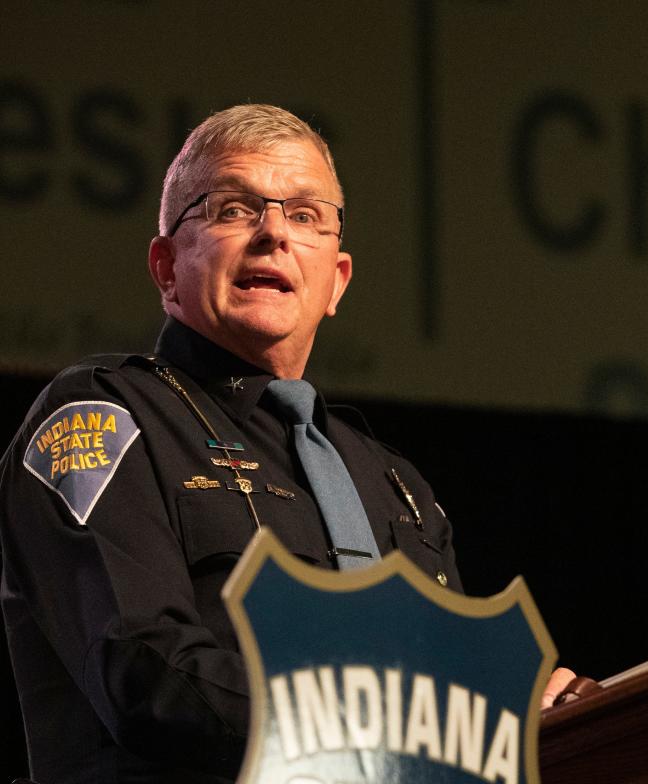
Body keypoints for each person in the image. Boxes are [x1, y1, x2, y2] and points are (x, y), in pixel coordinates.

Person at [0, 104, 575, 784]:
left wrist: (532, 718)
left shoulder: (396, 486)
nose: (273, 232)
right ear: (165, 267)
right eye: (234, 208)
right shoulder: (103, 417)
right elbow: (147, 675)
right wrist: (422, 717)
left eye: (305, 216)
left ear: (336, 279)